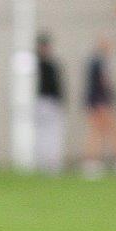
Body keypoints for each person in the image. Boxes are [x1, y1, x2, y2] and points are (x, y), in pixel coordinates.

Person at [79, 34, 116, 177]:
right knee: (112, 129)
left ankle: (92, 161)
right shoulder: (99, 62)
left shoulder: (93, 61)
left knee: (97, 131)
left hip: (94, 101)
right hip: (100, 101)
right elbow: (103, 83)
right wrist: (110, 99)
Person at [34, 32, 66, 173]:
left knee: (52, 133)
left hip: (52, 101)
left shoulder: (51, 63)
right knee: (46, 133)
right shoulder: (38, 64)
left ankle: (52, 162)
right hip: (43, 101)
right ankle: (46, 162)